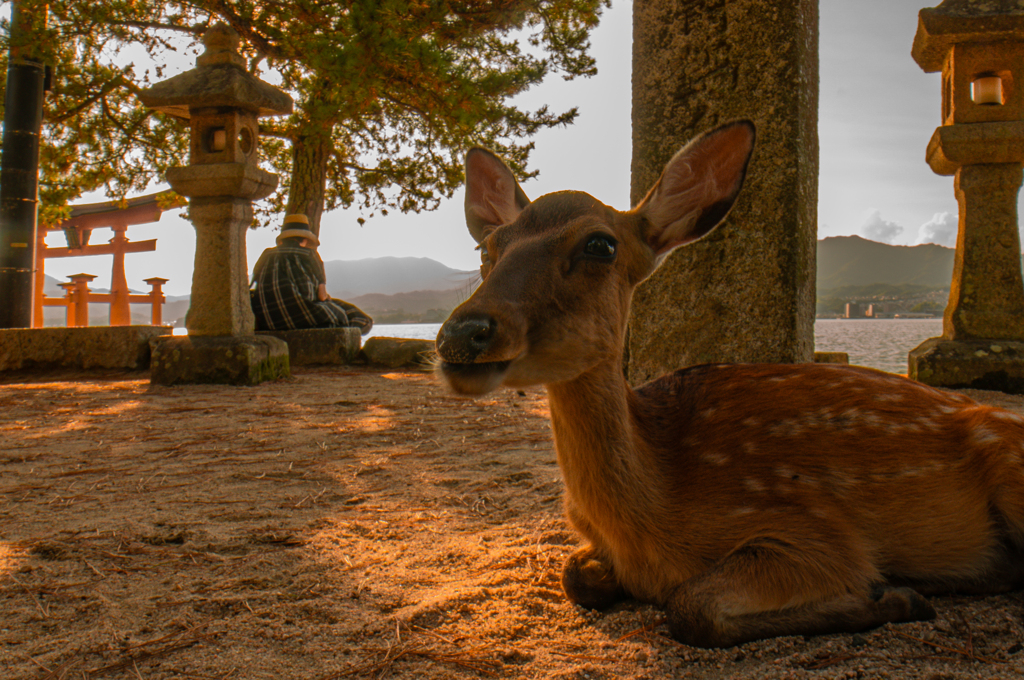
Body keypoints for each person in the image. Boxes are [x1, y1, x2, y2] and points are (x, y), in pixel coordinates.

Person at [250, 214, 373, 334]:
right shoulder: (310, 255)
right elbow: (322, 296)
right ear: (304, 239)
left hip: (270, 320)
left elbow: (254, 283)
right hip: (303, 316)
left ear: (283, 239)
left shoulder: (266, 255)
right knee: (362, 320)